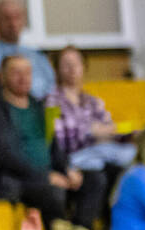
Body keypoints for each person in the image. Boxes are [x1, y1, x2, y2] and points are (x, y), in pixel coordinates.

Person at [0, 54, 105, 228]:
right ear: (2, 77)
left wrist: (67, 169)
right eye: (16, 72)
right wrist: (45, 176)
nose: (23, 78)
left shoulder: (38, 105)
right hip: (14, 180)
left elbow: (53, 146)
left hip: (47, 174)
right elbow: (6, 155)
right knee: (53, 191)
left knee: (94, 180)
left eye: (27, 72)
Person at [46, 45, 136, 174]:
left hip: (98, 152)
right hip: (71, 158)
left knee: (132, 153)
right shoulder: (51, 100)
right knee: (100, 163)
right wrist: (90, 131)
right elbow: (57, 141)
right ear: (57, 69)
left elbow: (109, 130)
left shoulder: (92, 101)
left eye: (76, 63)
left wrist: (130, 134)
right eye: (66, 64)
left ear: (84, 67)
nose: (72, 68)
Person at [0, 0, 55, 98]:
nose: (13, 23)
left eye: (17, 17)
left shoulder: (36, 55)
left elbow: (52, 86)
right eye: (7, 18)